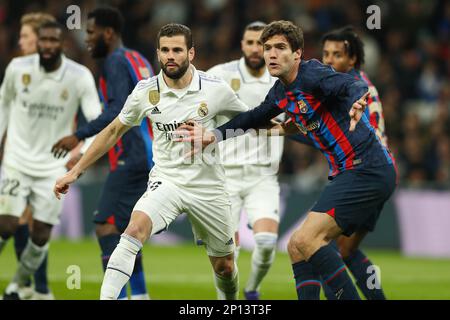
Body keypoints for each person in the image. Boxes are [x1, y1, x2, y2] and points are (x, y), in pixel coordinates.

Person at [174, 20, 397, 300]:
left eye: (280, 47)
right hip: (350, 172)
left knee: (309, 240)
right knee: (296, 247)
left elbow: (351, 83)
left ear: (297, 54)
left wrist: (357, 102)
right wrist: (213, 136)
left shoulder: (312, 74)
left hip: (366, 168)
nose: (271, 54)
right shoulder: (281, 92)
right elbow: (251, 118)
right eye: (267, 48)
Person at [54, 23, 248, 300]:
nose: (171, 56)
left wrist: (215, 135)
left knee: (225, 267)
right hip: (166, 181)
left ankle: (229, 302)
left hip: (209, 187)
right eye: (165, 50)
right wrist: (75, 171)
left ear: (191, 53)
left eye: (178, 50)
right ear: (158, 53)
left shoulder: (216, 90)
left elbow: (254, 123)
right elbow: (113, 131)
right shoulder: (146, 91)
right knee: (133, 230)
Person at [50, 7, 155, 300]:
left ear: (108, 33)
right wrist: (86, 150)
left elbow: (116, 112)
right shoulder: (138, 59)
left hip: (130, 155)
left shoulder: (115, 61)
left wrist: (78, 136)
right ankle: (140, 294)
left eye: (91, 32)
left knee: (104, 224)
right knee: (126, 229)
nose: (88, 39)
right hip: (148, 153)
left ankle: (121, 296)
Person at [0, 21, 102, 299]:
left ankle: (16, 286)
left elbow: (96, 117)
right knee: (6, 225)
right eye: (42, 40)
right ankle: (28, 287)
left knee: (41, 235)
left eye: (52, 41)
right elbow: (3, 106)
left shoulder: (78, 76)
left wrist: (83, 151)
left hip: (52, 167)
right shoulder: (17, 69)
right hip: (16, 161)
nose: (46, 46)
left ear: (63, 44)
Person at [290, 26, 391, 300]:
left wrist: (295, 131)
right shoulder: (355, 84)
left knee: (318, 245)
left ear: (353, 60)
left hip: (364, 173)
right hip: (375, 173)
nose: (330, 60)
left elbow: (345, 137)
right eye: (325, 54)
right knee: (344, 250)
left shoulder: (353, 91)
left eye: (338, 54)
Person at [207, 21, 282, 300]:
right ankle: (227, 302)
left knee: (265, 242)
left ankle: (252, 289)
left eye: (259, 44)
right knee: (227, 254)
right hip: (225, 176)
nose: (254, 49)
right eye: (249, 43)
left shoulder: (280, 78)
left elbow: (292, 121)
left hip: (263, 175)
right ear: (241, 45)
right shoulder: (219, 75)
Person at [0, 12, 57, 300]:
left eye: (25, 37)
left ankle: (35, 288)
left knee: (30, 224)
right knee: (17, 222)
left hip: (48, 163)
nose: (19, 41)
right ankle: (35, 288)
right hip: (18, 160)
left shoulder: (62, 75)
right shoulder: (17, 70)